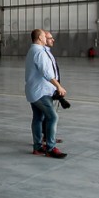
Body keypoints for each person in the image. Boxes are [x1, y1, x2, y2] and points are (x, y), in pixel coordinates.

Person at [24, 29, 67, 158]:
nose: (47, 38)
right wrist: (58, 86)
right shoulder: (38, 52)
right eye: (44, 36)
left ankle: (37, 147)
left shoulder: (35, 50)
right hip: (40, 92)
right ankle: (50, 148)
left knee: (38, 118)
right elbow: (46, 72)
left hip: (36, 91)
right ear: (39, 38)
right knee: (53, 117)